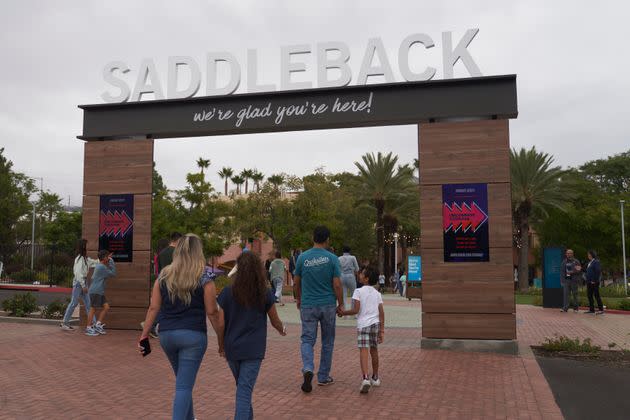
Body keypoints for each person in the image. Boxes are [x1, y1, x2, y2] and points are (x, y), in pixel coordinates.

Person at [138, 233, 222, 420]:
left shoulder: (164, 275)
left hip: (167, 336)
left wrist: (144, 335)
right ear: (197, 251)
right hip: (193, 337)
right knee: (184, 386)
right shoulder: (205, 276)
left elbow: (154, 307)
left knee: (183, 383)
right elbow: (212, 312)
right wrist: (221, 339)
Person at [217, 251, 286, 419]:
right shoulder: (264, 292)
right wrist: (281, 329)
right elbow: (274, 320)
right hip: (253, 349)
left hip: (232, 347)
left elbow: (220, 324)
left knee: (243, 388)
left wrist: (221, 345)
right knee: (244, 390)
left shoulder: (227, 292)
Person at [293, 225, 343, 392]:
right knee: (327, 341)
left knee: (307, 339)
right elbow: (337, 284)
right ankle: (323, 376)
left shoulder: (302, 258)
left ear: (312, 238)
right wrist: (341, 303)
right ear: (327, 239)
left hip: (308, 304)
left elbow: (296, 282)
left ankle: (308, 368)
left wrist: (298, 298)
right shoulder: (332, 258)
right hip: (328, 304)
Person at [338, 266, 384, 393]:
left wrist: (343, 312)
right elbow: (381, 313)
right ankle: (375, 377)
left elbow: (355, 310)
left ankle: (365, 378)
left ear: (366, 278)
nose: (359, 275)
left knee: (363, 351)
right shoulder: (377, 294)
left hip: (363, 325)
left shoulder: (358, 292)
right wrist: (382, 330)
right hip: (375, 324)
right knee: (374, 350)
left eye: (362, 274)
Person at [149, 232, 182, 338]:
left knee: (163, 305)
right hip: (175, 282)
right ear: (178, 240)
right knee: (171, 306)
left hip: (163, 281)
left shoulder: (162, 253)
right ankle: (152, 325)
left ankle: (152, 325)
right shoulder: (178, 252)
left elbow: (159, 269)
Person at [60, 239, 98, 330]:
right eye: (86, 246)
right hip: (79, 283)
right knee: (74, 303)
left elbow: (94, 262)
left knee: (88, 304)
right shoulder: (79, 259)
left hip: (82, 282)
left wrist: (104, 259)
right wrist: (83, 285)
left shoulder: (85, 259)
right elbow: (78, 273)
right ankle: (65, 323)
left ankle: (94, 324)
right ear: (83, 247)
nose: (88, 248)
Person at [85, 250, 116, 336]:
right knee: (93, 309)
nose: (108, 258)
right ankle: (88, 328)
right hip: (96, 291)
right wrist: (112, 261)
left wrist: (109, 261)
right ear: (103, 258)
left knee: (106, 307)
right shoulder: (101, 267)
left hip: (99, 291)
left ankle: (98, 324)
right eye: (107, 257)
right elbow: (113, 273)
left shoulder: (101, 266)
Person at [338, 245, 360, 310]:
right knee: (354, 293)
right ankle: (353, 310)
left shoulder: (339, 258)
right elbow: (357, 269)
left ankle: (344, 310)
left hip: (342, 276)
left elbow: (338, 269)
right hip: (350, 276)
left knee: (343, 294)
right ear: (349, 251)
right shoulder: (353, 257)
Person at [585, 250, 604, 314]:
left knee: (596, 295)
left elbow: (598, 271)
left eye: (589, 254)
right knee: (589, 295)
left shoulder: (596, 262)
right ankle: (591, 309)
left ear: (592, 255)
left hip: (594, 282)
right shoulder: (589, 262)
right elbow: (588, 271)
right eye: (588, 254)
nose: (588, 255)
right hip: (589, 282)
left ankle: (601, 309)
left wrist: (594, 280)